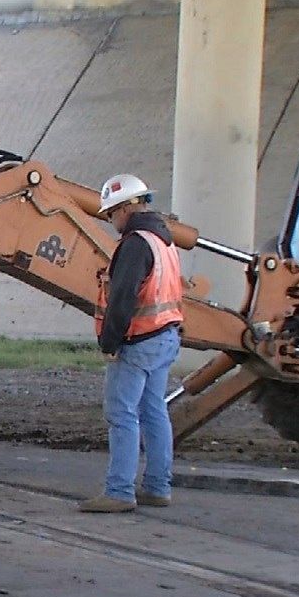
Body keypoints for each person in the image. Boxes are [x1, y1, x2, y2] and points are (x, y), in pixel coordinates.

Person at [80, 173, 183, 513]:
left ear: (125, 208)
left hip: (139, 341)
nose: (111, 221)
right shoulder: (163, 239)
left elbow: (123, 297)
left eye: (111, 214)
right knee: (154, 411)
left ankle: (119, 492)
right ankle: (157, 487)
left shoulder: (136, 243)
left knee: (121, 414)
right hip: (165, 336)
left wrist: (109, 342)